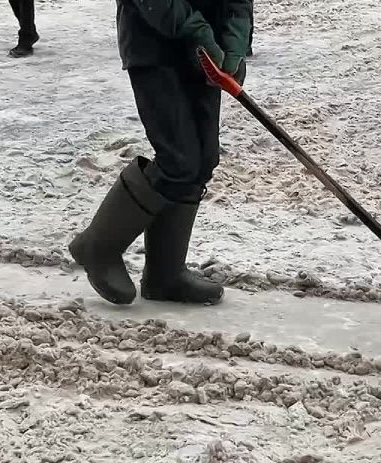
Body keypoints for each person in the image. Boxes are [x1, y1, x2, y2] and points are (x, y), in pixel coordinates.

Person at [68, 0, 252, 306]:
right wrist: (197, 32)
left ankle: (165, 275)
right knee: (179, 159)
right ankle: (98, 246)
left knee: (203, 160)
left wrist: (234, 40)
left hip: (207, 54)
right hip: (153, 45)